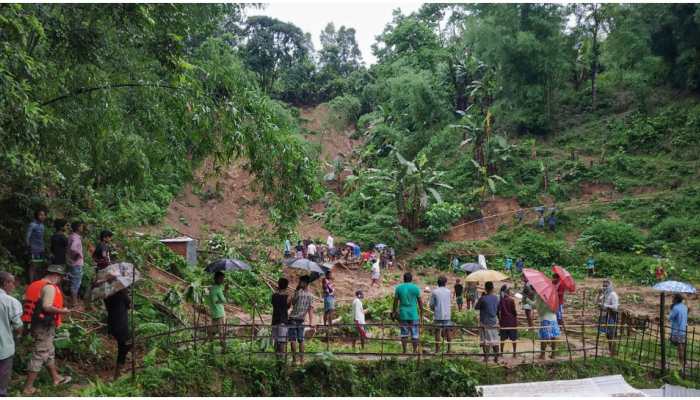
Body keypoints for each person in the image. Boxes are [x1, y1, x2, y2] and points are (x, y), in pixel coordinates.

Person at [22, 265, 72, 395]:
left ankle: (56, 378)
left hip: (34, 323)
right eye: (60, 277)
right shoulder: (49, 287)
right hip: (43, 325)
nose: (60, 280)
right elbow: (47, 306)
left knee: (49, 351)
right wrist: (62, 311)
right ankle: (28, 387)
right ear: (55, 275)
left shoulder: (34, 284)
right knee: (40, 353)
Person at [0, 272, 22, 396]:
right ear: (5, 283)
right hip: (4, 348)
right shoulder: (10, 301)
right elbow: (18, 326)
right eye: (12, 282)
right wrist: (19, 335)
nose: (14, 286)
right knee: (2, 381)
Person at [392, 272, 423, 354]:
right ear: (411, 279)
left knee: (404, 333)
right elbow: (420, 302)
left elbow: (395, 302)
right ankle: (414, 351)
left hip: (403, 313)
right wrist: (421, 312)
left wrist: (394, 312)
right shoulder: (415, 288)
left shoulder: (398, 288)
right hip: (414, 313)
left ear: (404, 279)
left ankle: (405, 351)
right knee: (415, 333)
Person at [104, 288, 131, 379]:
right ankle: (119, 370)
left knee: (123, 343)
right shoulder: (122, 294)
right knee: (125, 344)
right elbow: (130, 305)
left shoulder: (107, 295)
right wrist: (127, 295)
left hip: (112, 323)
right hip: (121, 323)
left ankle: (119, 367)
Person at [288, 276, 314, 364]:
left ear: (305, 283)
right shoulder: (311, 296)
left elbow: (293, 303)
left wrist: (296, 291)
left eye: (301, 282)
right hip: (302, 320)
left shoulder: (298, 293)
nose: (299, 283)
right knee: (301, 339)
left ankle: (295, 360)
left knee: (292, 339)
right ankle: (302, 360)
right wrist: (311, 322)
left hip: (293, 318)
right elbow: (310, 309)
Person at [526, 292, 559, 359]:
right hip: (553, 319)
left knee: (544, 337)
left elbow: (534, 305)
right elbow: (556, 308)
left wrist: (527, 299)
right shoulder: (553, 296)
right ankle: (553, 354)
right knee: (553, 336)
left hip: (545, 319)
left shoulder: (539, 296)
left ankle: (542, 355)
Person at [475, 281, 500, 362]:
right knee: (495, 340)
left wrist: (482, 297)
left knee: (485, 340)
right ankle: (496, 357)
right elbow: (497, 309)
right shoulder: (496, 298)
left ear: (485, 288)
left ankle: (486, 357)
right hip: (494, 321)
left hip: (485, 322)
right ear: (492, 288)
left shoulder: (483, 298)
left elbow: (476, 307)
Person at [430, 276, 452, 353]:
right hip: (447, 314)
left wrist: (434, 309)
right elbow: (449, 302)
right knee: (448, 331)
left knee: (437, 331)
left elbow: (432, 304)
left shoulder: (435, 292)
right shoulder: (449, 291)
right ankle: (449, 349)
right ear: (445, 283)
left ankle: (437, 350)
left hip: (438, 314)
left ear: (438, 283)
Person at [598, 279, 619, 356]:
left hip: (612, 315)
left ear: (610, 286)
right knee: (608, 335)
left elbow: (615, 307)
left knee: (612, 334)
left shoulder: (613, 294)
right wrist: (599, 294)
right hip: (606, 315)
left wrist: (605, 306)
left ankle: (613, 352)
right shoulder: (605, 294)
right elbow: (596, 302)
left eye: (606, 286)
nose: (604, 287)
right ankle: (611, 351)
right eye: (603, 286)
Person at [66, 221, 85, 308]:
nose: (82, 228)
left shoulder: (71, 236)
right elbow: (73, 248)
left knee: (73, 281)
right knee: (76, 282)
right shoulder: (76, 238)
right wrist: (78, 255)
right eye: (81, 226)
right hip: (76, 263)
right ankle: (74, 303)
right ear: (78, 228)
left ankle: (73, 300)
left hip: (71, 262)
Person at [26, 209, 47, 283]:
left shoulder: (42, 226)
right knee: (32, 266)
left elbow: (42, 238)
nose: (42, 216)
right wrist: (29, 247)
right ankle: (31, 283)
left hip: (40, 249)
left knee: (38, 266)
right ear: (37, 215)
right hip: (33, 248)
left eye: (44, 215)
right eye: (40, 215)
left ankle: (36, 282)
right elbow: (27, 237)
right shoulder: (32, 225)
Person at [206, 271, 226, 345]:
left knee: (213, 331)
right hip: (220, 313)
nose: (222, 280)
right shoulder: (217, 289)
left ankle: (209, 346)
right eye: (221, 278)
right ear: (216, 279)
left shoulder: (212, 288)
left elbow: (216, 300)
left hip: (214, 313)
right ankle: (223, 348)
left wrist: (225, 291)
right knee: (221, 331)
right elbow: (223, 300)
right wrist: (222, 300)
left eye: (223, 278)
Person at [669, 294, 688, 367]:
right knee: (683, 346)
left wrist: (671, 309)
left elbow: (670, 317)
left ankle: (681, 363)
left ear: (676, 299)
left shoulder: (675, 308)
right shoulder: (684, 307)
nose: (672, 299)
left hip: (677, 330)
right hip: (684, 328)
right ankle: (684, 361)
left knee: (679, 347)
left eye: (673, 298)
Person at [271, 278, 289, 357]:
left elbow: (274, 305)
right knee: (282, 341)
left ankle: (277, 359)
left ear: (278, 285)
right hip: (283, 321)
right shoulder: (287, 297)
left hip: (275, 320)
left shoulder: (274, 296)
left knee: (276, 341)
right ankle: (281, 359)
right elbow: (287, 307)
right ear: (286, 286)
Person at [498, 287, 518, 356]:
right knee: (514, 338)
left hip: (504, 322)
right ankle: (514, 353)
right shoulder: (511, 300)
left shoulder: (501, 300)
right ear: (508, 292)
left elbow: (499, 311)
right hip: (512, 322)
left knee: (502, 338)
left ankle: (501, 353)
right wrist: (515, 315)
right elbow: (514, 311)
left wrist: (499, 319)